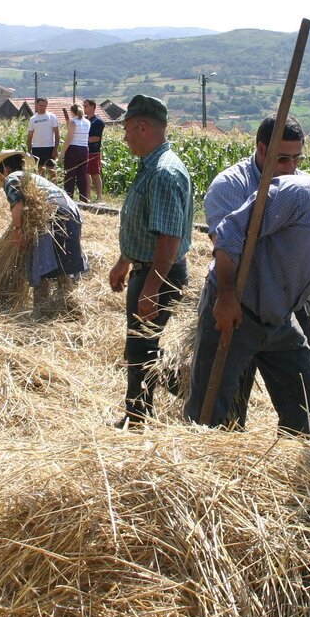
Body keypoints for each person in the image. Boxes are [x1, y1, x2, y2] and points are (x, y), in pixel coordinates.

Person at [186, 158, 310, 433]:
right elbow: (230, 233)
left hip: (279, 317)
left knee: (305, 396)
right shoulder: (301, 195)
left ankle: (295, 460)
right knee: (211, 406)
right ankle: (196, 459)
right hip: (237, 306)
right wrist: (226, 297)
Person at [202, 114, 309, 426]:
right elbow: (226, 247)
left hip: (289, 301)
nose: (291, 167)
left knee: (300, 392)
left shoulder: (300, 185)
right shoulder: (230, 186)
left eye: (296, 159)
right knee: (231, 392)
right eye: (283, 158)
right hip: (239, 300)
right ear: (262, 149)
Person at [108, 94, 193, 428]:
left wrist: (152, 288)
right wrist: (123, 261)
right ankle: (138, 412)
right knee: (140, 347)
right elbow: (145, 225)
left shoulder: (164, 173)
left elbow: (168, 238)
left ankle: (184, 387)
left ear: (142, 126)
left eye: (127, 129)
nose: (125, 136)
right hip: (147, 271)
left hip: (159, 275)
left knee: (142, 348)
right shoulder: (152, 166)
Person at [0, 149, 88, 313]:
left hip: (53, 214)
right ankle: (67, 308)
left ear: (4, 170)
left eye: (0, 177)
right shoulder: (33, 178)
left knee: (41, 262)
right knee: (64, 264)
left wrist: (17, 230)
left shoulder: (12, 178)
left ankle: (42, 310)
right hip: (71, 211)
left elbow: (17, 205)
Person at [61, 103, 90, 201]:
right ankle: (84, 198)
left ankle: (69, 198)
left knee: (70, 175)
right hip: (84, 149)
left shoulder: (74, 122)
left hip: (73, 149)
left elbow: (69, 139)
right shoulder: (87, 122)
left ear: (72, 112)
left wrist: (62, 153)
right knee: (82, 175)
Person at [26, 97, 59, 179]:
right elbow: (29, 137)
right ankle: (43, 190)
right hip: (37, 148)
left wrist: (55, 149)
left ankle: (55, 189)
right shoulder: (33, 119)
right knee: (40, 171)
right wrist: (29, 151)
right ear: (37, 105)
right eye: (41, 105)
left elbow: (57, 134)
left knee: (52, 171)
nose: (42, 107)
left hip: (49, 148)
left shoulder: (52, 117)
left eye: (44, 105)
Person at [82, 99, 105, 202]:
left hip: (94, 151)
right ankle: (88, 196)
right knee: (86, 174)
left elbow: (96, 138)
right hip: (85, 151)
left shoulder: (98, 122)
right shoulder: (85, 120)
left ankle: (99, 197)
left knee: (95, 174)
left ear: (92, 107)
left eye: (86, 106)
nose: (84, 108)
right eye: (84, 106)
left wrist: (82, 139)